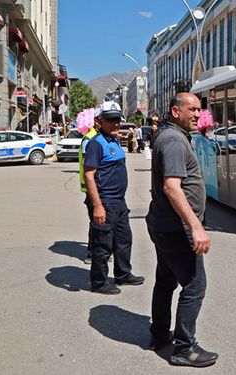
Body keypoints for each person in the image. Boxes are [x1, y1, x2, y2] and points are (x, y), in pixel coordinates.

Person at [146, 93, 218, 367]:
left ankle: (160, 334)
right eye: (192, 109)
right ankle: (184, 348)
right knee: (195, 285)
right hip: (175, 227)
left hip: (164, 224)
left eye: (200, 109)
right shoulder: (174, 140)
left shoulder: (169, 135)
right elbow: (172, 187)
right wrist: (196, 226)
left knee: (165, 281)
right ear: (175, 111)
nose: (198, 114)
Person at [83, 100, 145, 294]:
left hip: (119, 202)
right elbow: (89, 175)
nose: (116, 123)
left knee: (124, 239)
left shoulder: (114, 140)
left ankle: (123, 274)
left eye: (117, 119)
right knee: (103, 246)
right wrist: (97, 206)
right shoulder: (95, 143)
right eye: (110, 120)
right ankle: (99, 282)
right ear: (99, 121)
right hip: (106, 202)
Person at [79, 108, 101, 264]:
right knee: (96, 221)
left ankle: (100, 250)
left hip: (95, 186)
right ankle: (92, 252)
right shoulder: (91, 139)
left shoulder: (93, 137)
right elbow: (88, 165)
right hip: (92, 187)